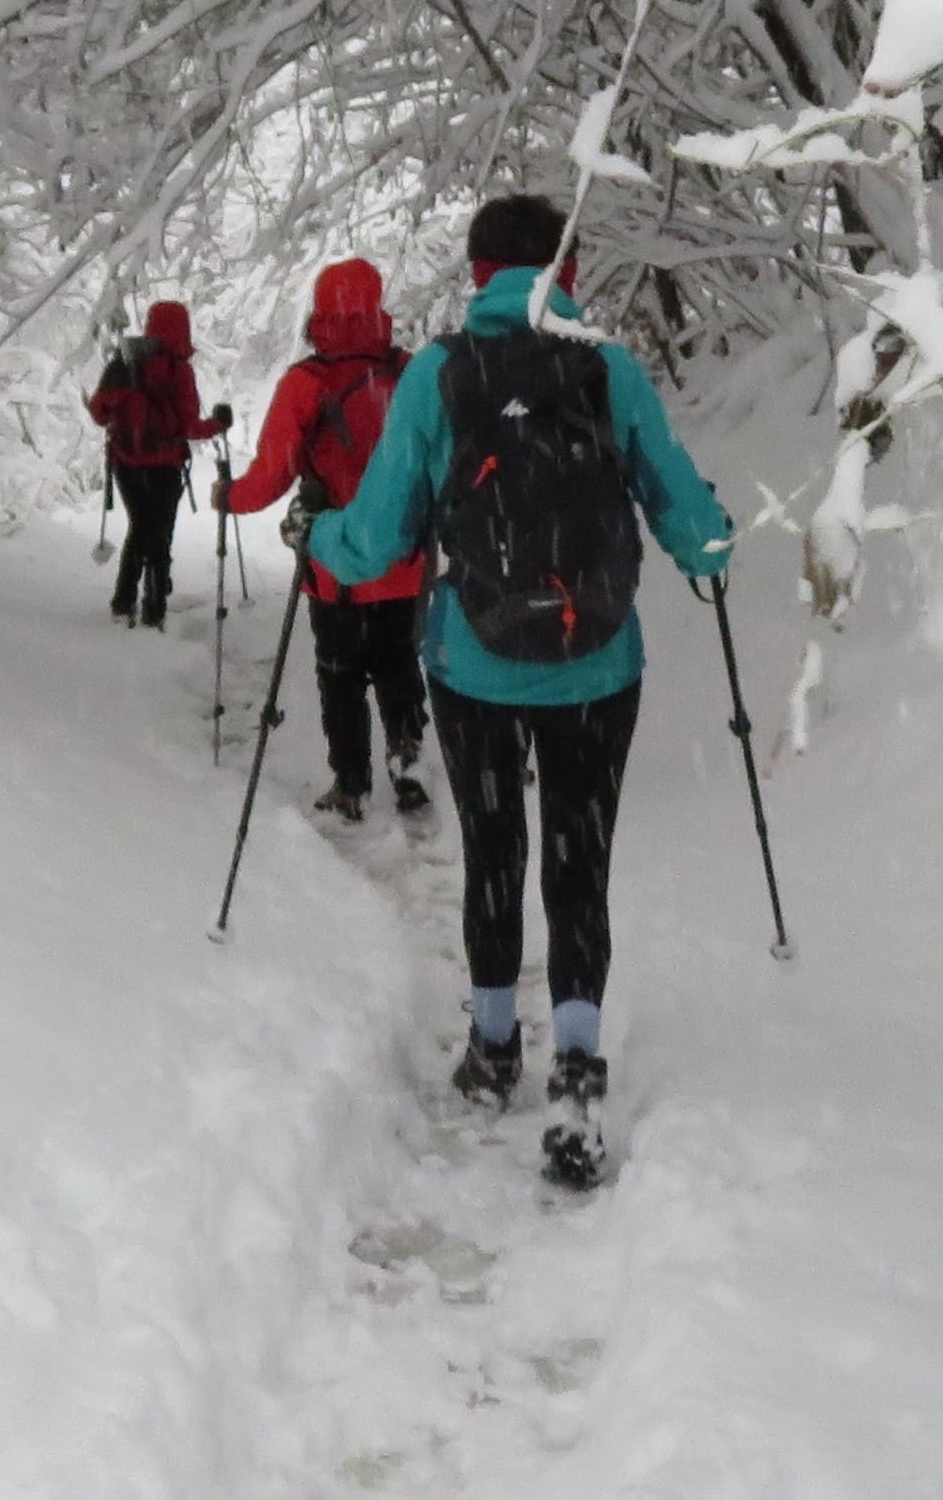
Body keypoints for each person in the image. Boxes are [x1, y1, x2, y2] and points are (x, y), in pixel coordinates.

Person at [312, 193, 729, 1180]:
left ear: (476, 273)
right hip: (598, 664)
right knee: (578, 861)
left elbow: (376, 537)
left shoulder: (437, 376)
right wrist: (711, 531)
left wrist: (316, 536)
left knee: (495, 847)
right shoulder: (610, 370)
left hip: (476, 666)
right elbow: (693, 524)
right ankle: (578, 1064)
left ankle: (496, 1047)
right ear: (568, 273)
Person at [217, 259, 430, 823]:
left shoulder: (307, 382)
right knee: (399, 663)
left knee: (341, 673)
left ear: (321, 310)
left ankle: (351, 784)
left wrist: (227, 498)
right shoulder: (408, 373)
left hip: (334, 563)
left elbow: (271, 476)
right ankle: (409, 762)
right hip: (405, 558)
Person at [84, 299, 226, 628]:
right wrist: (218, 424)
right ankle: (154, 602)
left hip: (125, 464)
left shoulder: (124, 362)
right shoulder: (178, 370)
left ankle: (125, 600)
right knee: (159, 532)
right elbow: (189, 427)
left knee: (140, 527)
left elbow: (97, 412)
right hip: (164, 466)